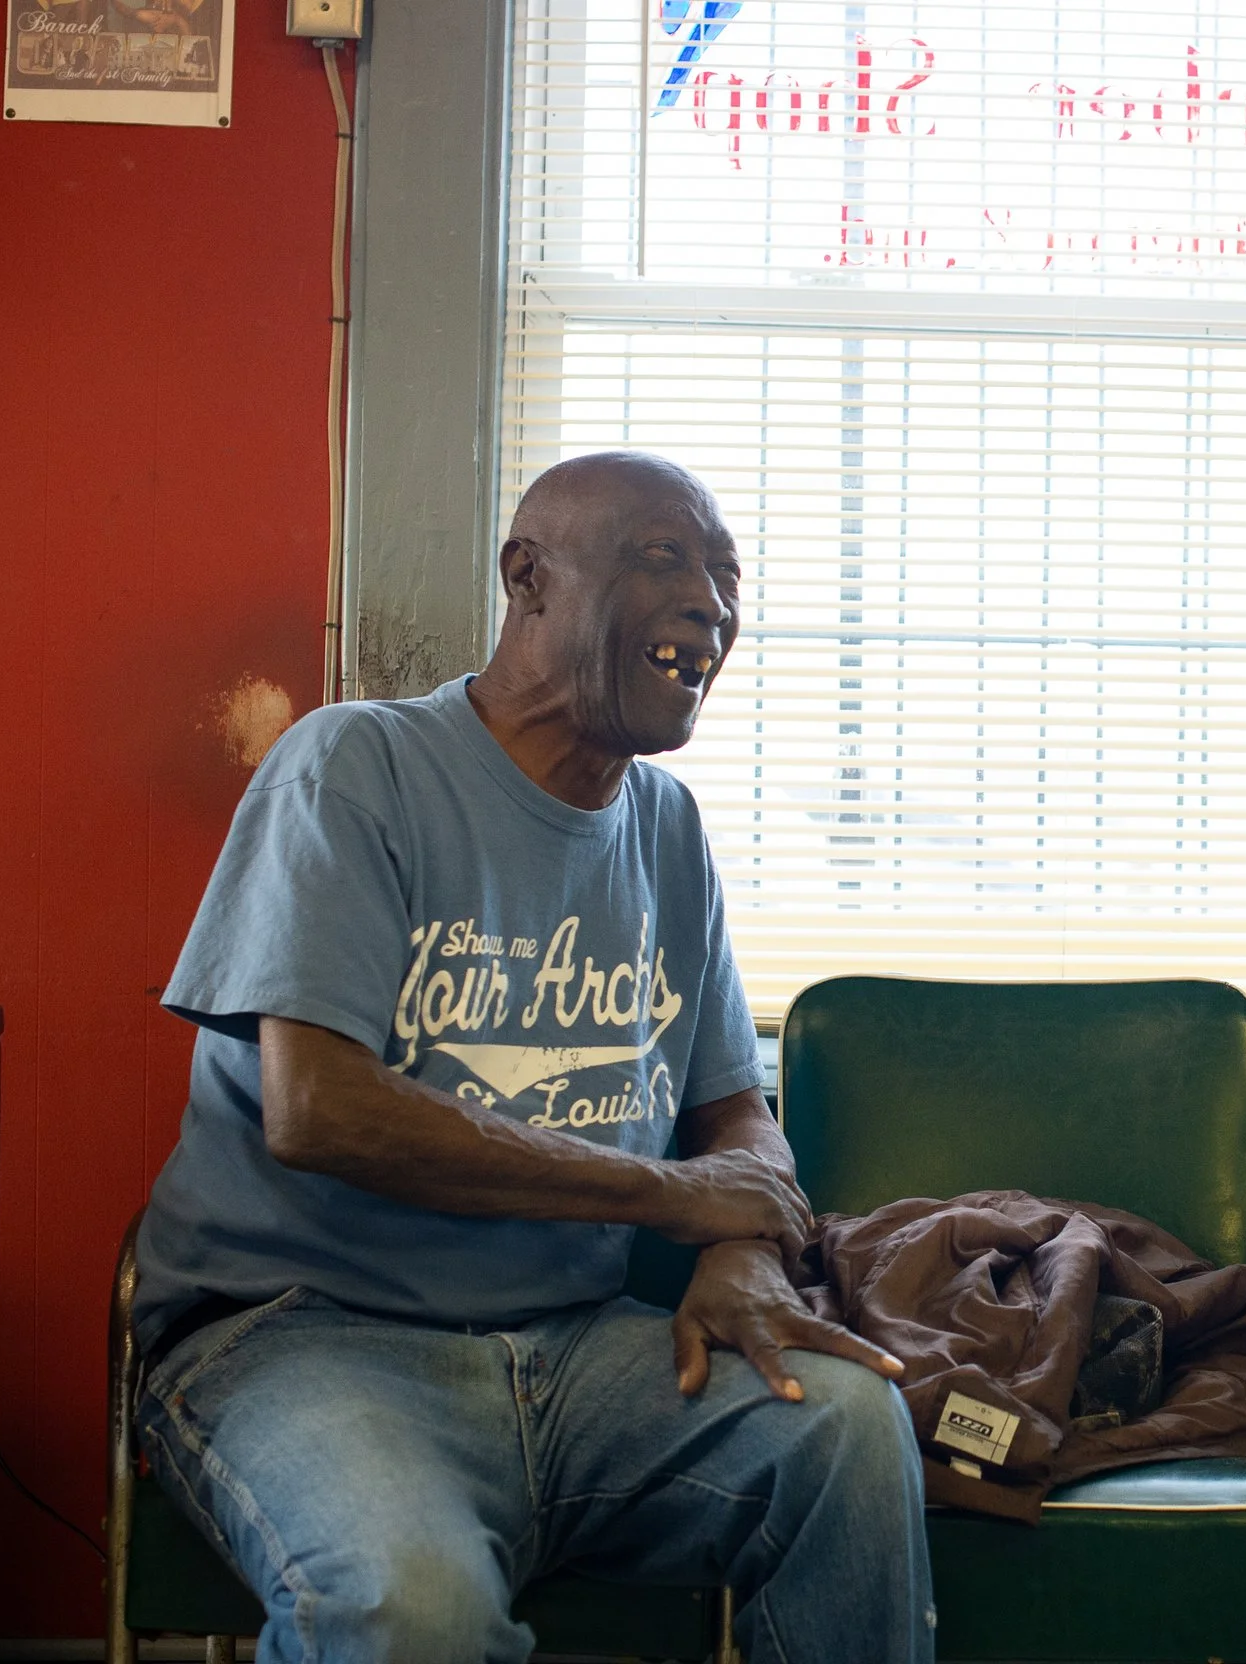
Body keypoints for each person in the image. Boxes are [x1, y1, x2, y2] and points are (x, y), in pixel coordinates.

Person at [131, 451, 935, 1664]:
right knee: (415, 1610)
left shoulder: (665, 827)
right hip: (304, 1337)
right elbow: (320, 1111)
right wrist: (668, 1195)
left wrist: (739, 1247)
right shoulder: (355, 767)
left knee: (847, 1429)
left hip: (574, 1348)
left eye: (726, 576)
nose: (711, 604)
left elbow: (735, 1114)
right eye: (666, 558)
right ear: (529, 577)